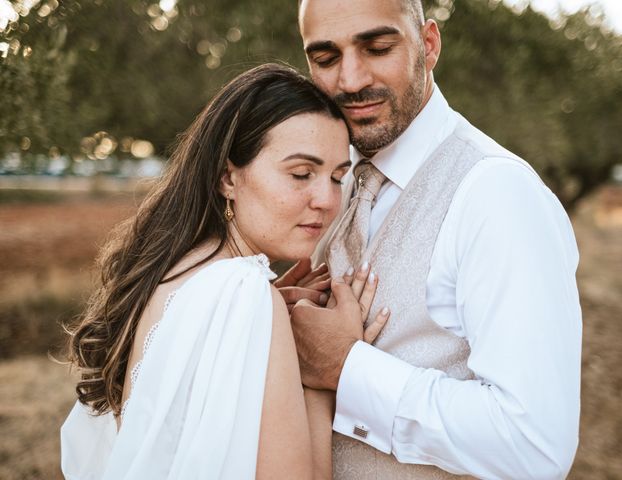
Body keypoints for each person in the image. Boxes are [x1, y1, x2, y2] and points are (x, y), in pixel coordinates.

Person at [290, 1, 582, 479]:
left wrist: (346, 368)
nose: (350, 79)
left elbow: (534, 447)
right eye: (324, 58)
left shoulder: (497, 194)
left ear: (428, 45)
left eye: (378, 48)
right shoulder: (330, 183)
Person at [60, 63, 389, 479]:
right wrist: (323, 377)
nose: (326, 199)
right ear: (227, 177)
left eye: (338, 178)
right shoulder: (243, 291)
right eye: (301, 174)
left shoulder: (173, 272)